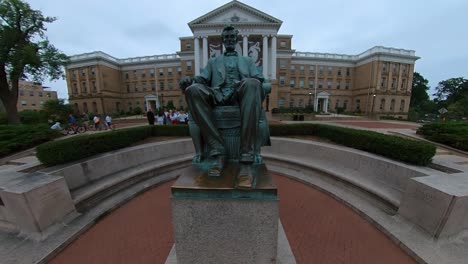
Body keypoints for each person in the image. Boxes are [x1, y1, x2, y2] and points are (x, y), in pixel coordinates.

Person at [179, 25, 267, 182]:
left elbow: (259, 80)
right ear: (223, 41)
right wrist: (190, 80)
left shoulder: (247, 60)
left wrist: (239, 85)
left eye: (232, 37)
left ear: (237, 39)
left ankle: (246, 158)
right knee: (193, 90)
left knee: (252, 83)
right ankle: (218, 151)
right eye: (226, 38)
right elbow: (202, 80)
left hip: (240, 93)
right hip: (217, 95)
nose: (230, 40)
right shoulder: (213, 62)